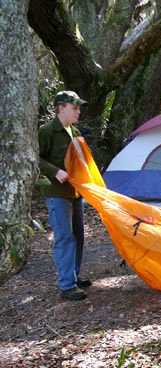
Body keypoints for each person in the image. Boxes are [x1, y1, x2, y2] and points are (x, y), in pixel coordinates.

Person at [38, 91, 92, 301]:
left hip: (75, 191)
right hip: (57, 193)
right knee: (64, 237)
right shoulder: (47, 131)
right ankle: (66, 285)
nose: (78, 111)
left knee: (78, 234)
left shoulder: (75, 130)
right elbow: (34, 157)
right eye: (74, 107)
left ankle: (74, 276)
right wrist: (55, 171)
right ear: (62, 108)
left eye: (79, 108)